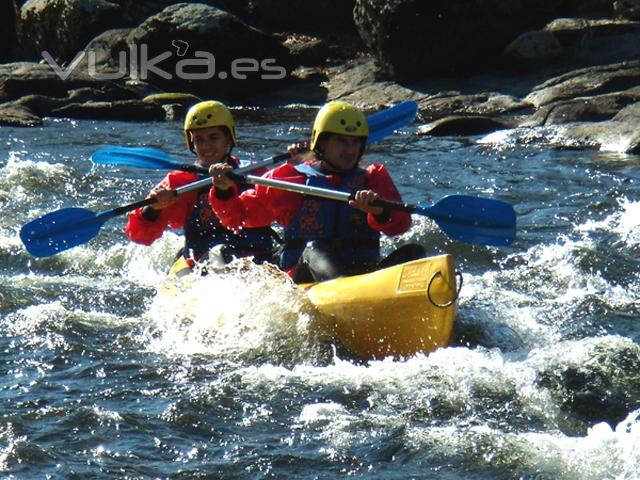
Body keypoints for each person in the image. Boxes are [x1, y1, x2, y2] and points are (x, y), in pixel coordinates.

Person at [208, 100, 426, 283]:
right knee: (315, 248)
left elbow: (401, 225)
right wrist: (224, 192)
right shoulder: (291, 180)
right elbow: (238, 217)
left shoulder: (372, 179)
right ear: (321, 143)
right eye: (341, 141)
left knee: (415, 252)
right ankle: (344, 295)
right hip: (306, 276)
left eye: (355, 143)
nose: (350, 150)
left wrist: (380, 212)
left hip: (363, 275)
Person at [125, 100, 277, 275]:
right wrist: (152, 209)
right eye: (199, 139)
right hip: (201, 261)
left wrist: (298, 164)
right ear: (191, 143)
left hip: (257, 255)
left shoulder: (254, 173)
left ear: (228, 138)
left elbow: (282, 210)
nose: (206, 146)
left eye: (213, 137)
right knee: (219, 251)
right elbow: (139, 236)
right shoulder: (180, 182)